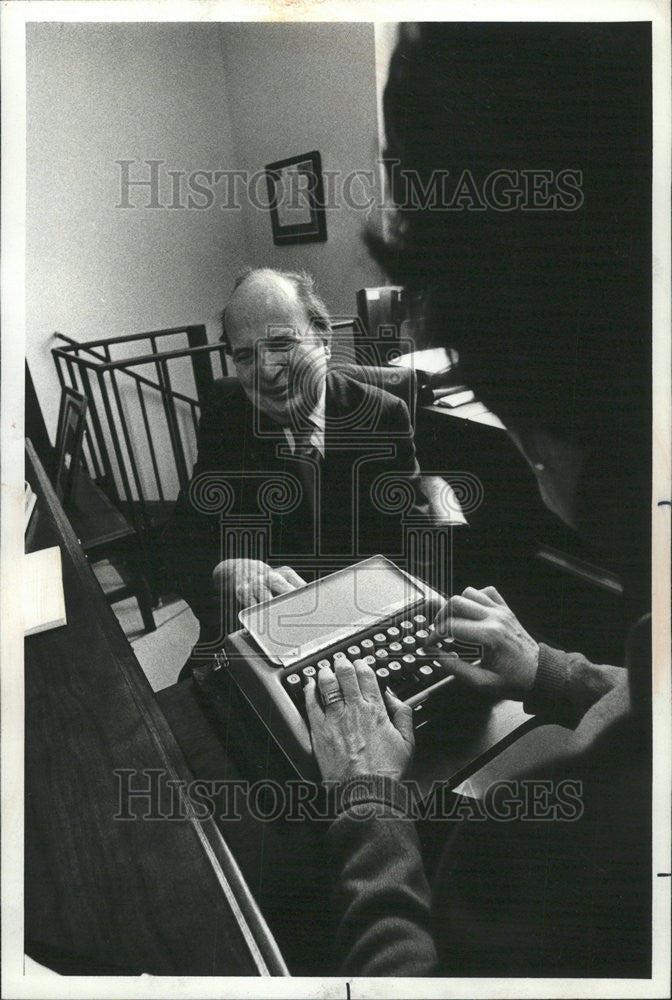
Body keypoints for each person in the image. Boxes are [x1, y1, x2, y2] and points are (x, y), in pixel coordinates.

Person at [303, 23, 652, 977]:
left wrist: (368, 806)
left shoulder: (539, 864)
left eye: (288, 345)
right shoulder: (224, 420)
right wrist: (554, 670)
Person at [165, 266, 430, 656]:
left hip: (362, 628)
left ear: (323, 339)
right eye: (245, 356)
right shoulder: (227, 413)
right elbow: (183, 540)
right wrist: (226, 570)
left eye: (283, 344)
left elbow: (410, 548)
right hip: (259, 636)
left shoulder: (382, 415)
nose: (267, 371)